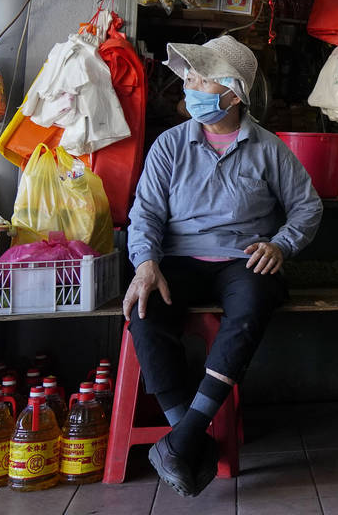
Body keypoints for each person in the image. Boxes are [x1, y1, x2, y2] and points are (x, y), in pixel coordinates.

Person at [124, 35, 323, 497]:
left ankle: (184, 438)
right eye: (189, 76)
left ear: (232, 94)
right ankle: (189, 437)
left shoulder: (269, 149)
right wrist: (146, 263)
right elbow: (146, 212)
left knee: (255, 298)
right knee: (144, 312)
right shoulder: (169, 145)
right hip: (177, 258)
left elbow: (306, 208)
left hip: (241, 257)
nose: (189, 84)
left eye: (200, 78)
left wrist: (281, 244)